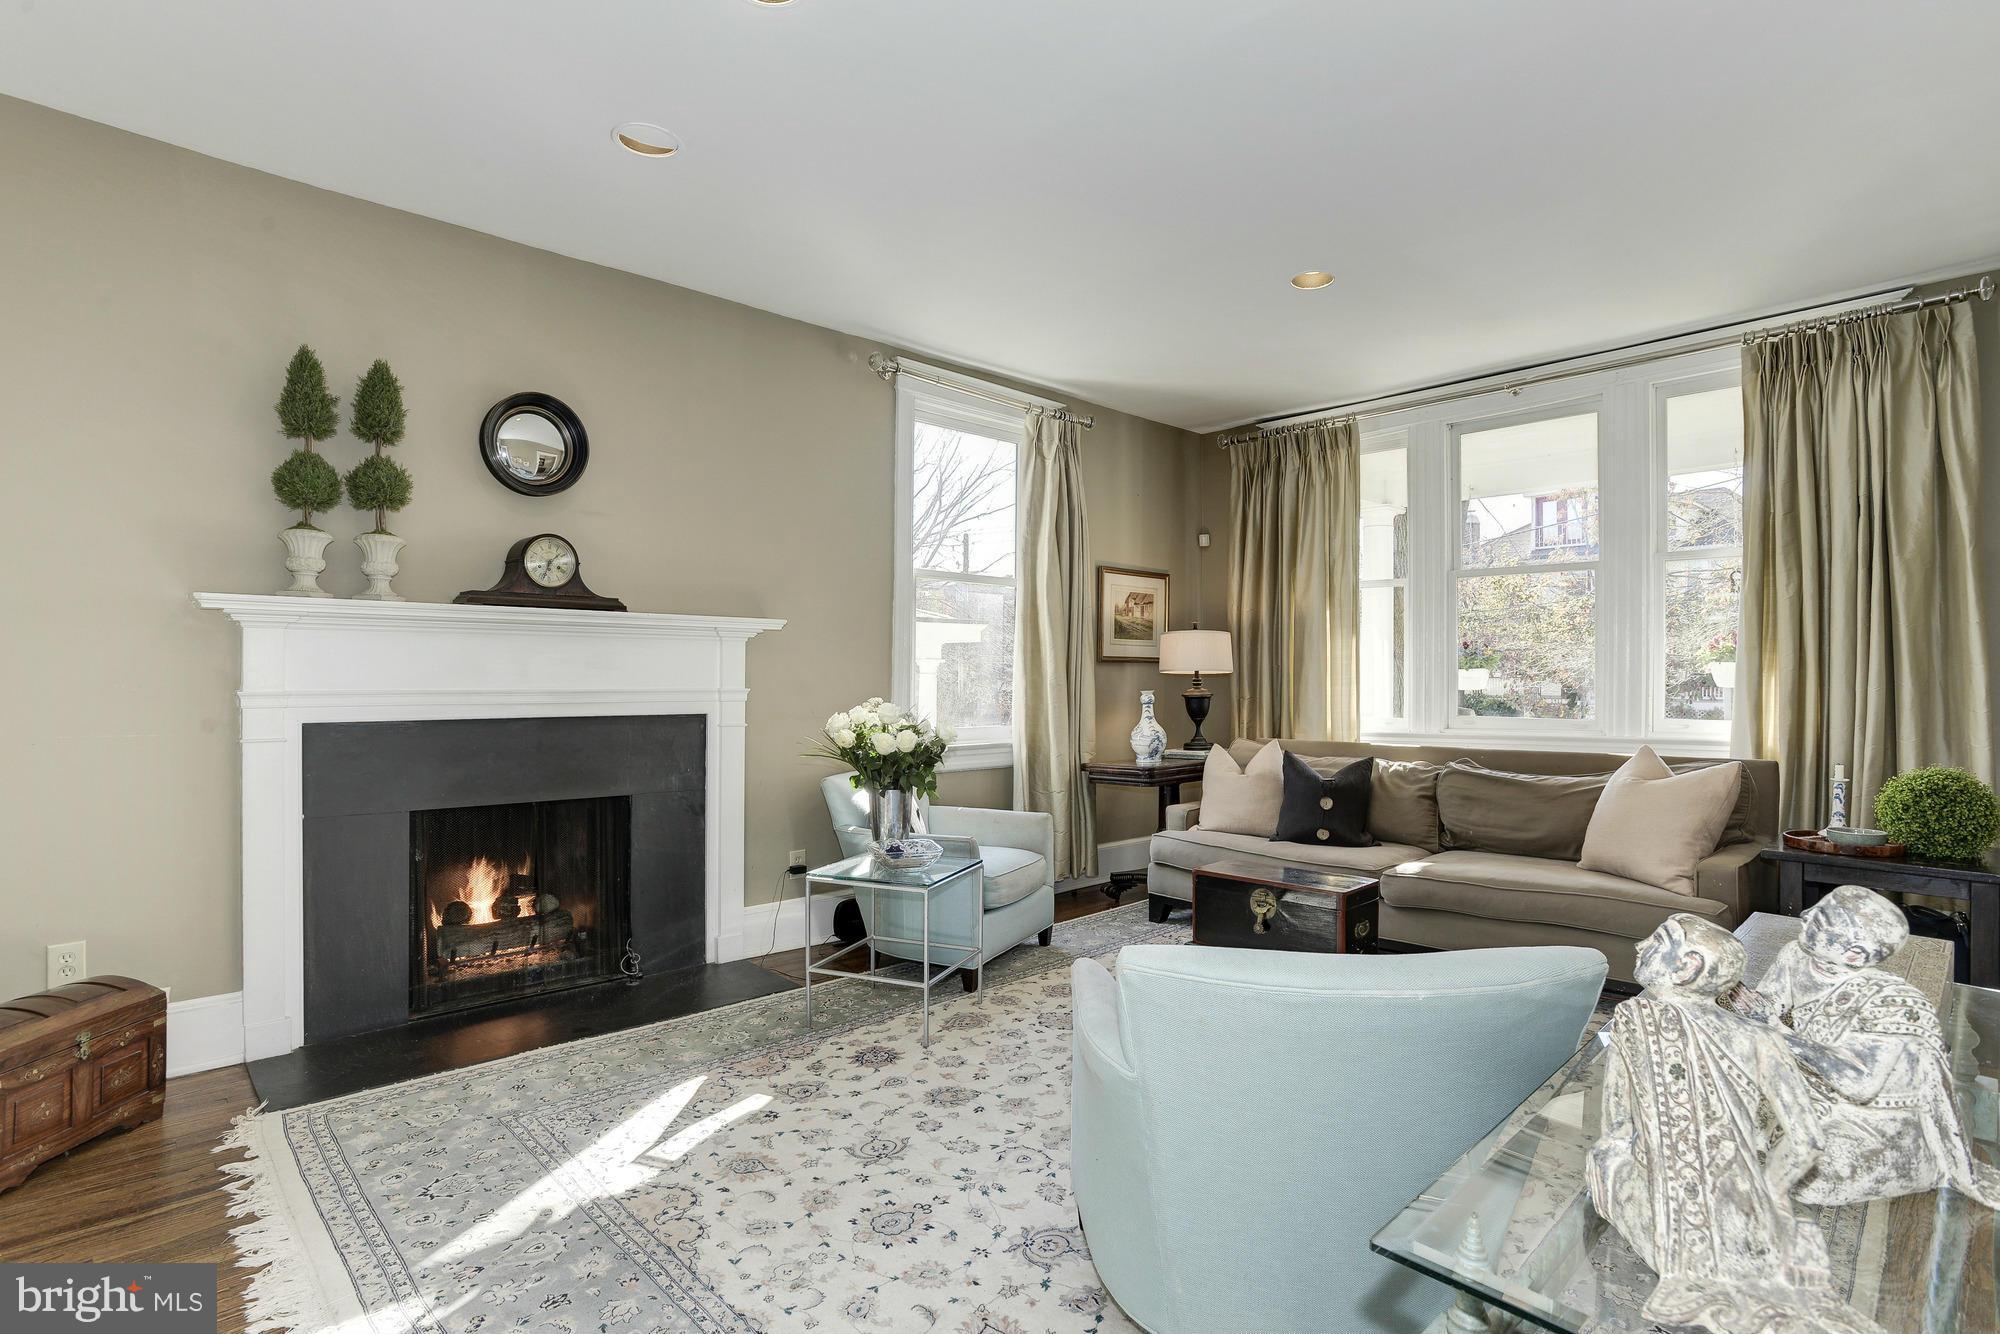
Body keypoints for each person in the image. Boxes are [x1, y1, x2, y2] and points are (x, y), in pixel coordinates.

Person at [1590, 913, 1881, 1334]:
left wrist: (1611, 1167)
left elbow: (1616, 1128)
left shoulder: (1633, 1018)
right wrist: (1769, 1195)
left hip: (1663, 1205)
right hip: (1744, 1207)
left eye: (1658, 940)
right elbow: (1807, 1141)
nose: (1640, 945)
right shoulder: (1760, 1040)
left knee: (1608, 1168)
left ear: (1688, 966)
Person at [1742, 884, 2000, 1208]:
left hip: (1876, 1117)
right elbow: (1768, 1006)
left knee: (1814, 1176)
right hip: (1812, 1084)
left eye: (1820, 920)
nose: (1805, 915)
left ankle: (1915, 1163)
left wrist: (1779, 1032)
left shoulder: (1891, 1002)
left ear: (1856, 954)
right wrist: (1749, 1005)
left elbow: (1860, 1084)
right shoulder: (1794, 956)